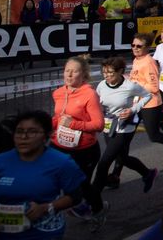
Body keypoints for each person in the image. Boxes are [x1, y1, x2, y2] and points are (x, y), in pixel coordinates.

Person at [0, 110, 85, 238]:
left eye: (32, 132)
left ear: (47, 135)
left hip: (43, 233)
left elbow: (75, 196)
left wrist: (46, 207)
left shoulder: (62, 162)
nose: (23, 137)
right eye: (19, 132)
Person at [91, 56, 156, 212]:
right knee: (122, 158)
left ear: (120, 71)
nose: (106, 75)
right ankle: (147, 173)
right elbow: (97, 102)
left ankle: (91, 202)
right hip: (109, 126)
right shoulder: (101, 85)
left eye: (110, 72)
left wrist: (132, 110)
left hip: (124, 128)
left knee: (104, 163)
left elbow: (148, 95)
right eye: (104, 72)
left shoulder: (130, 86)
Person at [49, 57, 103, 218]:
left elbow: (98, 125)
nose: (69, 74)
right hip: (59, 146)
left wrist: (73, 124)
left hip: (84, 150)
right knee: (50, 177)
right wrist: (46, 126)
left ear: (84, 74)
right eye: (67, 70)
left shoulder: (90, 94)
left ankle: (99, 211)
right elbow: (59, 117)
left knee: (82, 185)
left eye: (74, 71)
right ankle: (70, 206)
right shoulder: (58, 93)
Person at [127, 31, 163, 159]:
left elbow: (154, 87)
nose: (135, 48)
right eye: (133, 45)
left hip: (150, 104)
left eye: (139, 46)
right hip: (138, 103)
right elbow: (136, 78)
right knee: (126, 133)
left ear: (147, 48)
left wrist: (135, 85)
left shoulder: (149, 62)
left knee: (154, 136)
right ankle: (120, 158)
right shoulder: (136, 60)